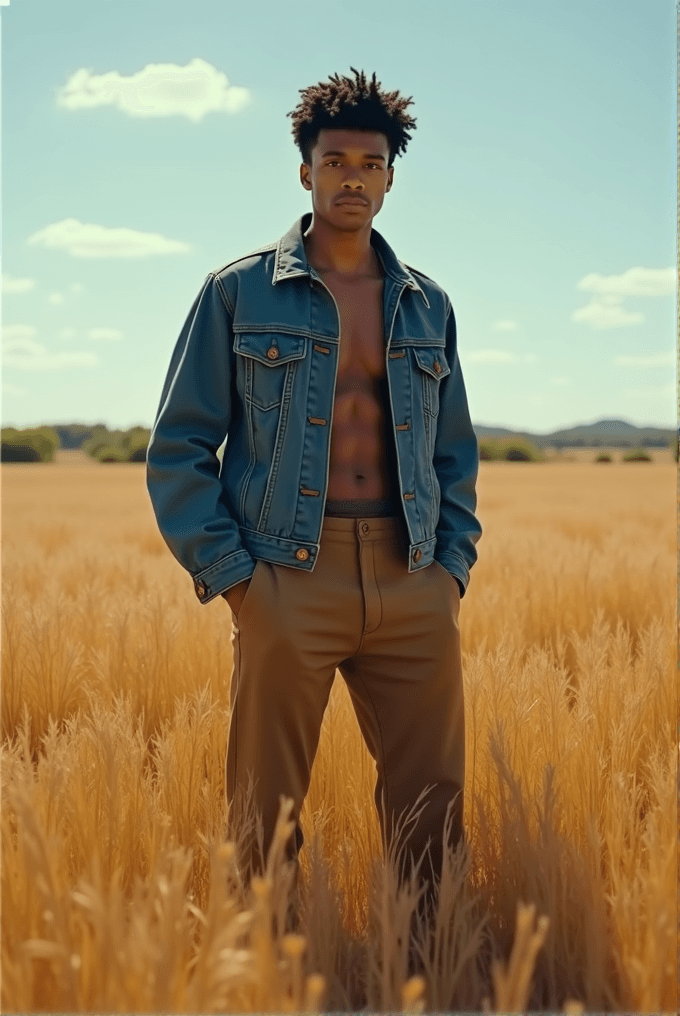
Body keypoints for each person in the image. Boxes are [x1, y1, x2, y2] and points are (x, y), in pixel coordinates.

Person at [146, 67, 483, 943]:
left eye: (369, 164)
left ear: (391, 177)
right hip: (289, 573)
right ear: (304, 170)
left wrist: (450, 570)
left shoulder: (427, 304)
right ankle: (261, 966)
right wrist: (238, 583)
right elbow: (181, 446)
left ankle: (429, 963)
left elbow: (454, 453)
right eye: (334, 161)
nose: (352, 180)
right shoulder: (238, 292)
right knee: (266, 801)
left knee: (433, 799)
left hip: (412, 580)